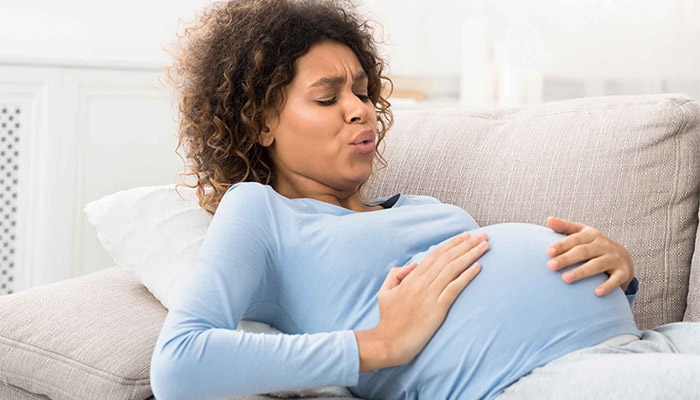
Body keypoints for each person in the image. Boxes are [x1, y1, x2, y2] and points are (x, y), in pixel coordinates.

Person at [149, 0, 700, 399]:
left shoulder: (417, 206)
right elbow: (180, 365)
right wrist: (378, 342)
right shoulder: (261, 212)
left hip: (646, 343)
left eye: (362, 92)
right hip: (533, 379)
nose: (360, 109)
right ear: (262, 121)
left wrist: (616, 274)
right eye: (327, 97)